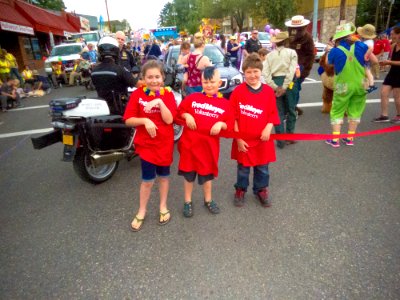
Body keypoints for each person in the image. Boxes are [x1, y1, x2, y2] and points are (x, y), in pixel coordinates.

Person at [123, 60, 177, 232]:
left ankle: (162, 206)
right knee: (147, 181)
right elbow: (128, 120)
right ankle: (142, 210)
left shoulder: (168, 94)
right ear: (143, 78)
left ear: (162, 77)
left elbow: (169, 120)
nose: (154, 80)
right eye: (149, 77)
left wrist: (160, 102)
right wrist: (145, 120)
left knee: (164, 177)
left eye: (157, 77)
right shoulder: (138, 95)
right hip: (146, 145)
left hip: (164, 144)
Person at [177, 66, 232, 217]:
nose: (208, 85)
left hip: (208, 149)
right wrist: (187, 116)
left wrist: (221, 124)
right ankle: (187, 201)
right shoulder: (192, 98)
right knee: (188, 176)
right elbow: (179, 113)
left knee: (207, 176)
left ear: (219, 82)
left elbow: (230, 125)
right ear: (201, 82)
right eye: (205, 82)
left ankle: (208, 200)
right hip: (189, 147)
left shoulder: (225, 104)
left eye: (212, 82)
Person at [230, 53, 280, 207]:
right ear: (244, 73)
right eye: (249, 72)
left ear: (261, 71)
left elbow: (273, 113)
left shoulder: (268, 91)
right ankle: (241, 189)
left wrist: (268, 127)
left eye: (255, 71)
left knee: (262, 167)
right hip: (243, 139)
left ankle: (261, 189)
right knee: (243, 168)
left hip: (262, 139)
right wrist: (238, 138)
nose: (252, 75)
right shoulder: (238, 92)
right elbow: (233, 118)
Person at [325, 22, 369, 147]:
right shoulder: (362, 46)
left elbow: (328, 63)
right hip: (361, 84)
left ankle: (335, 140)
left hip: (343, 86)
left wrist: (329, 50)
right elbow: (369, 60)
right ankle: (349, 138)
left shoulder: (335, 51)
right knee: (355, 110)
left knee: (337, 110)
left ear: (339, 38)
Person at [262, 31, 298, 149]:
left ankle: (280, 140)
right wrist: (285, 86)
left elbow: (265, 73)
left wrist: (274, 86)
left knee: (278, 112)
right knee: (291, 110)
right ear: (286, 41)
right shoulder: (292, 53)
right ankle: (289, 137)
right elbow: (291, 71)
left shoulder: (269, 56)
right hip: (289, 84)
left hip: (275, 82)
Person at [91, 36, 137, 115]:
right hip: (120, 108)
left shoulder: (94, 71)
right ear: (116, 52)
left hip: (102, 109)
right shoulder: (120, 70)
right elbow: (134, 83)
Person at [286, 15, 315, 116]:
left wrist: (306, 70)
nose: (294, 30)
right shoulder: (288, 37)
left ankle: (292, 108)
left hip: (299, 67)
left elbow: (311, 54)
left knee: (295, 88)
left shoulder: (307, 38)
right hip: (287, 66)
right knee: (287, 88)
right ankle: (289, 107)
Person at [372, 26, 400, 124]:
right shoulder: (393, 45)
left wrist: (389, 62)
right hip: (392, 72)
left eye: (393, 34)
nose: (391, 36)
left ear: (399, 34)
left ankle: (399, 115)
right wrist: (380, 60)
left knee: (397, 96)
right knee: (384, 92)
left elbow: (394, 61)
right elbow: (386, 54)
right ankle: (384, 115)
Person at [357, 24, 378, 93]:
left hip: (365, 61)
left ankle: (371, 85)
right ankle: (371, 85)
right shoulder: (368, 41)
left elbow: (370, 49)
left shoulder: (368, 42)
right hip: (365, 61)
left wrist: (366, 55)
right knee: (367, 73)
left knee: (367, 73)